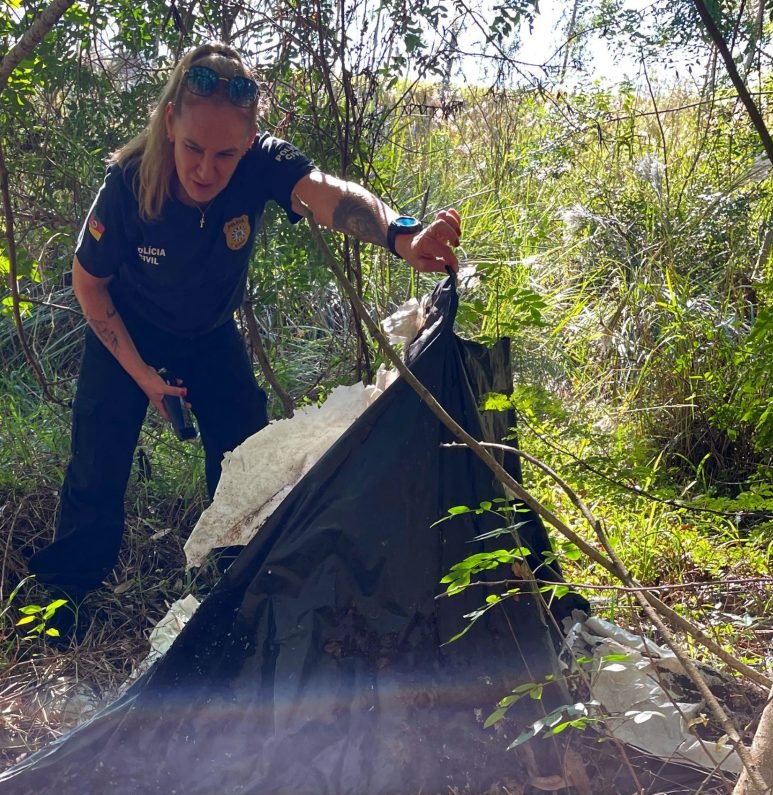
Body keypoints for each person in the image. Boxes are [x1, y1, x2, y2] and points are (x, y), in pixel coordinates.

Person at [28, 42, 461, 621]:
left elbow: (331, 196)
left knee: (245, 455)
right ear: (169, 123)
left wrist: (403, 237)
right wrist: (144, 378)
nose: (207, 170)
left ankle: (233, 593)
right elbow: (89, 286)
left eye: (226, 154)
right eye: (193, 149)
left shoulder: (263, 162)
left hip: (209, 333)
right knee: (97, 462)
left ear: (250, 143)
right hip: (127, 331)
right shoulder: (128, 184)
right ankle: (64, 604)